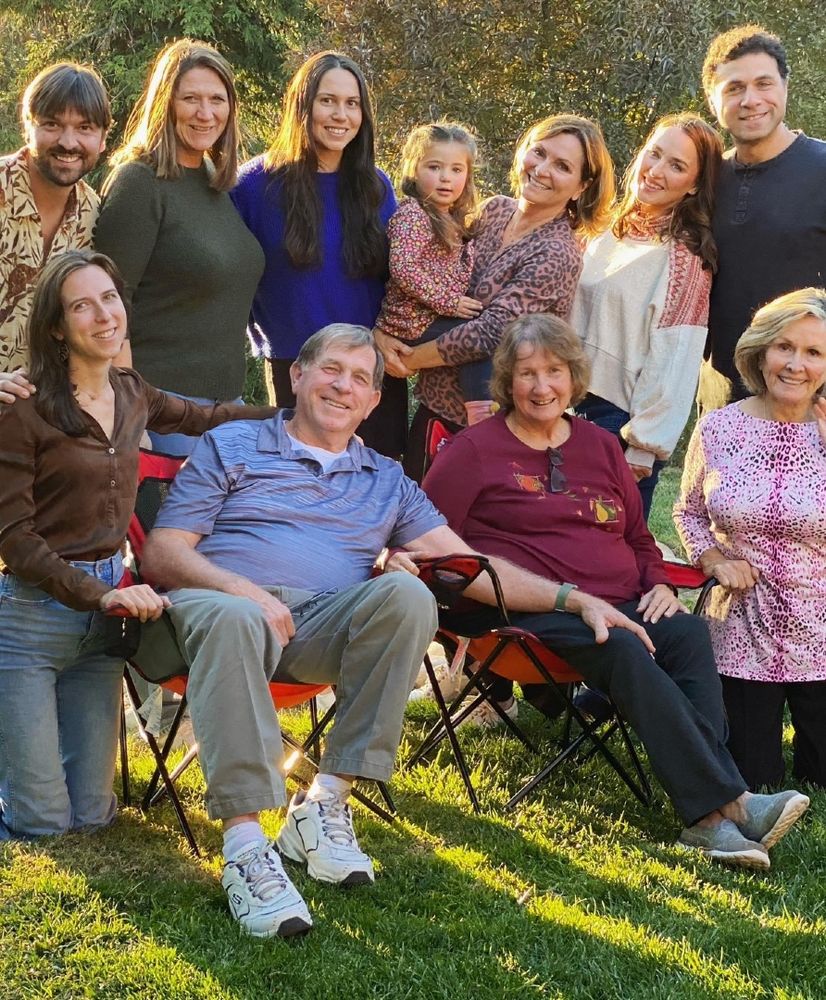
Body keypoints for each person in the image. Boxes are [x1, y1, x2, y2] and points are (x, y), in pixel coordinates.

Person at [135, 321, 695, 938]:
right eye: (331, 369)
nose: (343, 387)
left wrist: (572, 598)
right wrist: (243, 590)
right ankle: (245, 848)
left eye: (360, 378)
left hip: (317, 625)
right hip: (215, 614)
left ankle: (325, 802)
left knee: (408, 592)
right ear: (296, 374)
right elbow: (163, 553)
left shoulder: (386, 479)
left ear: (375, 400)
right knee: (241, 615)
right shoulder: (233, 444)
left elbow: (469, 566)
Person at [422, 312, 809, 869]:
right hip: (527, 610)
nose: (542, 386)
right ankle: (718, 812)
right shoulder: (473, 451)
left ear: (574, 378)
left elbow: (637, 537)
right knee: (620, 644)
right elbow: (428, 541)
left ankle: (721, 803)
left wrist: (658, 583)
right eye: (527, 373)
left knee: (687, 634)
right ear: (507, 381)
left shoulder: (600, 446)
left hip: (621, 598)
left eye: (554, 372)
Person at [0, 249, 274, 841]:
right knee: (42, 824)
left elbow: (205, 416)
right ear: (56, 327)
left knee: (93, 816)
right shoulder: (23, 410)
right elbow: (15, 542)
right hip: (31, 619)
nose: (104, 315)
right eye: (82, 306)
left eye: (110, 298)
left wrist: (296, 416)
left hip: (105, 624)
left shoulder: (131, 391)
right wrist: (100, 595)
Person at [395, 113, 615, 480]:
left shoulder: (556, 252)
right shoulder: (494, 210)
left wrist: (408, 359)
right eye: (539, 152)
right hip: (435, 406)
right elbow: (437, 274)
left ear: (581, 187)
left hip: (493, 426)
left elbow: (490, 333)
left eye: (562, 166)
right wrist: (389, 332)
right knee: (412, 508)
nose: (542, 169)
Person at [674, 288, 826, 791]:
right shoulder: (718, 428)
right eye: (785, 347)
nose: (796, 364)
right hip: (741, 629)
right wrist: (713, 559)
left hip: (821, 628)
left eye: (813, 352)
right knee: (754, 777)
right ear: (761, 352)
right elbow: (687, 512)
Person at [93, 39, 265, 455]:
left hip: (225, 409)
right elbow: (110, 302)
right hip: (161, 409)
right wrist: (128, 411)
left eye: (217, 99)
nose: (206, 113)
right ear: (166, 104)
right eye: (190, 99)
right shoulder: (140, 182)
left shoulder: (214, 181)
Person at [230, 51, 404, 456]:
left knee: (375, 486)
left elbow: (399, 278)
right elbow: (230, 275)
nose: (341, 115)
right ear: (302, 106)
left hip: (369, 374)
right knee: (300, 486)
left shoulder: (376, 187)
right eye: (328, 101)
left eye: (352, 103)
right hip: (297, 370)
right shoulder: (254, 186)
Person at [571, 113, 722, 518]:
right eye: (654, 154)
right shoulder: (603, 230)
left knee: (601, 549)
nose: (655, 171)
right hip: (557, 403)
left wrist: (644, 444)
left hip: (615, 422)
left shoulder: (685, 257)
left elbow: (676, 357)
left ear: (694, 185)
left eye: (676, 165)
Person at [698, 25, 826, 413]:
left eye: (764, 84)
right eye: (734, 88)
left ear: (785, 87)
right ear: (713, 101)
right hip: (723, 407)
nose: (750, 100)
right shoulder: (704, 182)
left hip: (813, 406)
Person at [1, 62, 110, 385]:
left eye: (84, 127)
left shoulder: (92, 213)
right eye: (52, 124)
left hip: (42, 404)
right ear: (27, 127)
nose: (68, 142)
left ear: (103, 139)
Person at [374, 121, 486, 424]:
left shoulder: (453, 218)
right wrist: (449, 302)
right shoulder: (414, 214)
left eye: (456, 169)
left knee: (481, 335)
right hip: (408, 321)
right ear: (414, 169)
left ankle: (477, 409)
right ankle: (481, 417)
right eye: (434, 167)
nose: (446, 178)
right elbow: (403, 268)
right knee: (474, 340)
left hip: (430, 317)